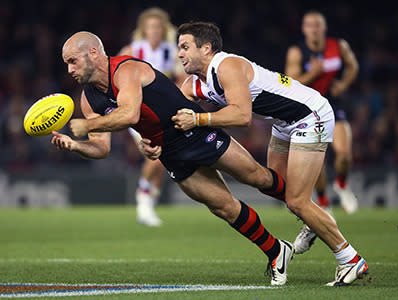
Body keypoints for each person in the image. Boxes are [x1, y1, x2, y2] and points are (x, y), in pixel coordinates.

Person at [53, 31, 294, 285]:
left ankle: (307, 210)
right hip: (169, 152)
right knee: (223, 207)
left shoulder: (126, 69)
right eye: (66, 63)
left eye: (72, 61)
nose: (69, 70)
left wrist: (88, 127)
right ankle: (277, 251)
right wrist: (75, 145)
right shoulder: (88, 99)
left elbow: (129, 115)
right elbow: (101, 149)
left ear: (93, 53)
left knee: (258, 177)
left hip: (193, 128)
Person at [168, 22, 368, 286]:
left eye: (185, 47)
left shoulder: (227, 66)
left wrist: (198, 119)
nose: (179, 54)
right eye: (179, 48)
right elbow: (172, 116)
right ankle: (315, 221)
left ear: (206, 48)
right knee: (270, 182)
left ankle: (350, 260)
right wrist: (150, 139)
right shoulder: (193, 84)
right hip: (283, 123)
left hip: (310, 115)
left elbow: (241, 116)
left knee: (297, 202)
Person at [285, 10, 359, 215]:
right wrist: (313, 73)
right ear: (304, 29)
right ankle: (324, 201)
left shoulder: (338, 46)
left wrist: (343, 84)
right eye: (310, 25)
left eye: (318, 25)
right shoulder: (297, 51)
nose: (314, 29)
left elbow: (353, 66)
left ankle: (342, 185)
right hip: (310, 109)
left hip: (333, 104)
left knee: (344, 155)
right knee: (319, 161)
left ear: (324, 28)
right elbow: (290, 83)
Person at [118, 8, 186, 226]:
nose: (155, 31)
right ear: (144, 30)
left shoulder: (172, 52)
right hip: (138, 112)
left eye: (158, 27)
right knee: (154, 155)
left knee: (162, 159)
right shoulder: (132, 50)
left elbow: (183, 80)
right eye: (151, 27)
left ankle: (149, 201)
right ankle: (144, 202)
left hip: (163, 112)